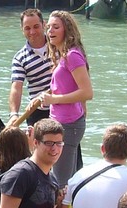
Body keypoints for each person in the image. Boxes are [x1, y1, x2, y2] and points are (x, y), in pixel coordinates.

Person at [36, 10, 93, 187]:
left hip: (69, 125)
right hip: (64, 123)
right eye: (48, 27)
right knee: (64, 179)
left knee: (61, 183)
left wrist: (54, 100)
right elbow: (66, 86)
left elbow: (87, 92)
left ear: (66, 30)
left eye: (56, 27)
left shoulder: (72, 56)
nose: (50, 31)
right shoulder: (63, 56)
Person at [6, 8, 52, 128]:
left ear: (44, 25)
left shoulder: (58, 45)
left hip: (63, 106)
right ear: (22, 30)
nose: (32, 32)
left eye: (36, 26)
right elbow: (16, 87)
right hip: (38, 111)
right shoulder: (19, 58)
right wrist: (14, 114)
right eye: (27, 28)